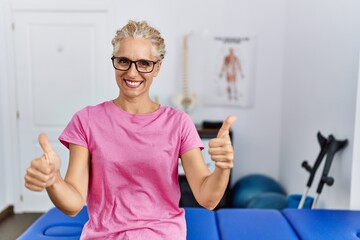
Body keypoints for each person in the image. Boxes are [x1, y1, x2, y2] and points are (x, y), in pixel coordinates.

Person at [24, 20, 236, 239]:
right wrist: (53, 181)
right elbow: (74, 204)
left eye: (144, 63)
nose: (132, 73)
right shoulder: (86, 120)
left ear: (157, 67)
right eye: (124, 61)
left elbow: (207, 198)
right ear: (114, 62)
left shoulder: (179, 123)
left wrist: (223, 167)